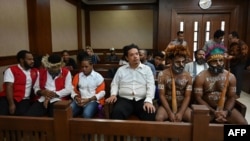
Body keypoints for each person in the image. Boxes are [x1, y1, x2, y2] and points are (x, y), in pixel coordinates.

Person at [193, 47, 248, 124]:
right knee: (200, 127)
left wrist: (226, 111)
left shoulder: (231, 77)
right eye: (215, 61)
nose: (219, 63)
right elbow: (198, 98)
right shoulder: (201, 77)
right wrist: (213, 112)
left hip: (225, 108)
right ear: (208, 62)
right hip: (206, 108)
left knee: (243, 124)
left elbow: (231, 97)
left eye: (221, 60)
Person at [105, 44, 156, 121]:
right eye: (132, 55)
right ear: (126, 58)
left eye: (137, 54)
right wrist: (113, 94)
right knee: (116, 113)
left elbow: (151, 86)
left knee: (150, 112)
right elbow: (115, 83)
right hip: (124, 99)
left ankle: (141, 133)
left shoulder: (147, 69)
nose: (135, 56)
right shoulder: (121, 70)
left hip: (141, 100)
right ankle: (121, 133)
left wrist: (148, 101)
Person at [155, 44, 192, 122]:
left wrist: (181, 113)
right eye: (178, 62)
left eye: (183, 62)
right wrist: (169, 112)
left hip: (181, 106)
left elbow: (187, 97)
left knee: (193, 119)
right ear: (171, 61)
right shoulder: (163, 74)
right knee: (159, 118)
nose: (181, 65)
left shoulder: (188, 76)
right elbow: (161, 95)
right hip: (166, 106)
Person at [0, 50, 38, 116]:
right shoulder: (11, 70)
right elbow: (9, 86)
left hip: (24, 100)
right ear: (21, 60)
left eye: (32, 59)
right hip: (9, 98)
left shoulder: (35, 71)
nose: (32, 61)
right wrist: (11, 104)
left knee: (22, 116)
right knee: (3, 113)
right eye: (29, 59)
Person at [226, 31, 249, 98]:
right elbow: (230, 51)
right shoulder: (232, 44)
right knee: (232, 77)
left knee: (238, 78)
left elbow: (244, 55)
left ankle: (237, 93)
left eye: (230, 38)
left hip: (240, 63)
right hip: (233, 63)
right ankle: (231, 91)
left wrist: (233, 57)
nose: (229, 40)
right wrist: (227, 54)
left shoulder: (242, 44)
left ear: (235, 37)